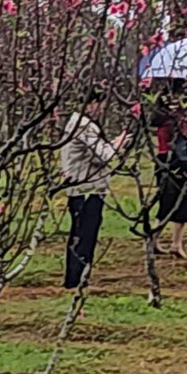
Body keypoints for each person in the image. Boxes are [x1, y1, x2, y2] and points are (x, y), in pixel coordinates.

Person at [60, 87, 127, 288]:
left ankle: (79, 276)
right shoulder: (83, 126)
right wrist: (118, 144)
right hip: (86, 189)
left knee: (82, 234)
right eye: (99, 104)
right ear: (90, 104)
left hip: (82, 187)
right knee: (84, 235)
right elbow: (105, 155)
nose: (101, 108)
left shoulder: (77, 124)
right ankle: (76, 278)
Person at [151, 94, 187, 259]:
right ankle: (168, 242)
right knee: (175, 203)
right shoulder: (175, 122)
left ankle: (170, 242)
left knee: (170, 203)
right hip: (175, 162)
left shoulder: (160, 118)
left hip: (164, 161)